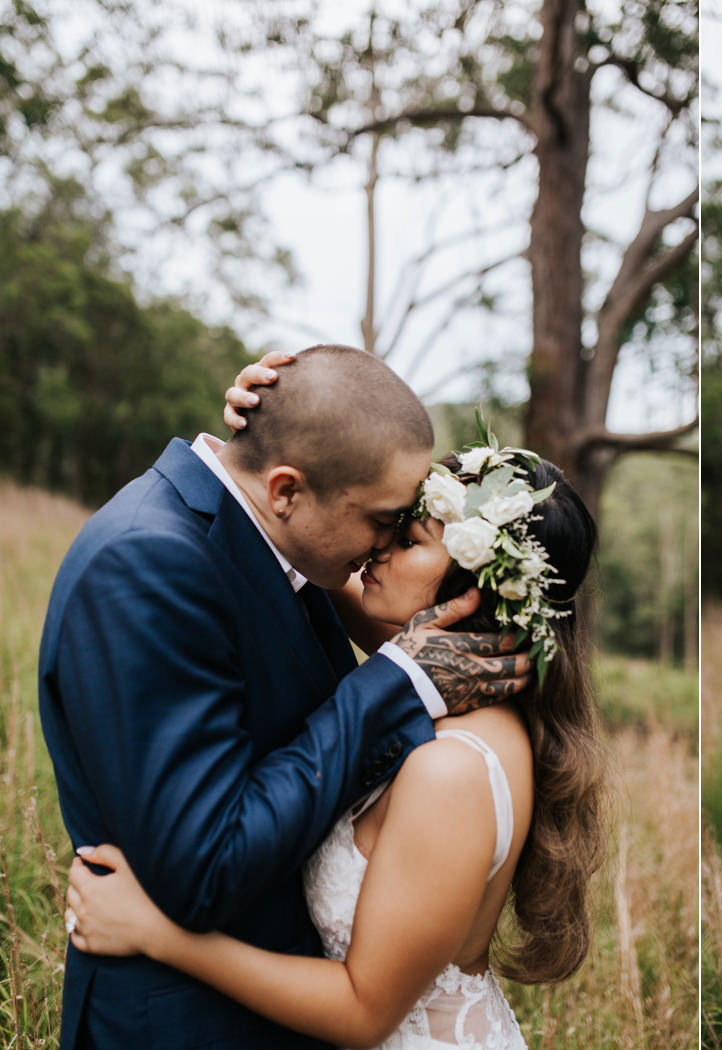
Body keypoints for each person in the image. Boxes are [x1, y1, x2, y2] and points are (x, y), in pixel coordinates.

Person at [39, 346, 527, 1050]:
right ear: (287, 492)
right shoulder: (148, 563)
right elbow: (203, 870)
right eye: (384, 521)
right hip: (180, 1026)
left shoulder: (279, 542)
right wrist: (395, 680)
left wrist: (285, 421)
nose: (382, 547)